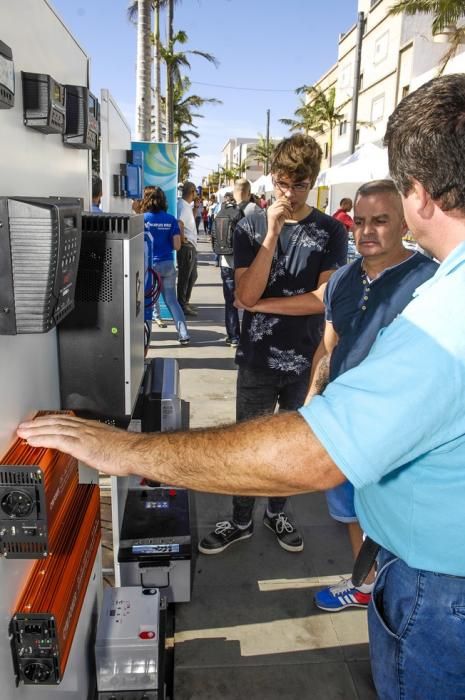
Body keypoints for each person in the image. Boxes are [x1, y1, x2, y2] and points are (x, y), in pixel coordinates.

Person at [17, 73, 465, 700]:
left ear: (418, 196)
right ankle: (247, 522)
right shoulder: (289, 237)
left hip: (439, 588)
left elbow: (311, 455)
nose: (367, 231)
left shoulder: (442, 309)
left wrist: (123, 451)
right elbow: (270, 302)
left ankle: (279, 524)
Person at [198, 134, 347, 555]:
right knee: (246, 442)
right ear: (272, 181)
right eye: (284, 183)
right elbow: (244, 295)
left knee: (292, 444)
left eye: (300, 185)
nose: (291, 193)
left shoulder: (331, 230)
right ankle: (241, 519)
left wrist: (261, 303)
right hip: (258, 358)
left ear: (313, 182)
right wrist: (272, 233)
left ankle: (277, 511)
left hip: (307, 357)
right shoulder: (249, 226)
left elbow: (322, 300)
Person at [307, 179, 438, 612]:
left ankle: (405, 598)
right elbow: (329, 345)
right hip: (345, 423)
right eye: (359, 221)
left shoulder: (431, 283)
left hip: (403, 433)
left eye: (380, 221)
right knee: (349, 511)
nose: (366, 231)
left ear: (403, 222)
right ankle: (364, 583)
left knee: (399, 518)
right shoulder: (344, 278)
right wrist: (312, 400)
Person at [212, 179, 261, 347]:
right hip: (249, 265)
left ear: (234, 193)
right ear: (248, 192)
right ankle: (250, 336)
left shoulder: (224, 209)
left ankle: (233, 336)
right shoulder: (254, 209)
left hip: (226, 261)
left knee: (230, 302)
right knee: (252, 300)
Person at [142, 186, 190, 345]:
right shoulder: (170, 219)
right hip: (168, 264)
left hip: (149, 266)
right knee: (171, 301)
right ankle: (183, 334)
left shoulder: (143, 219)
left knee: (146, 301)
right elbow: (177, 246)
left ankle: (145, 339)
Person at [177, 181, 198, 317]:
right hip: (187, 246)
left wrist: (196, 207)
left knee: (192, 275)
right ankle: (182, 304)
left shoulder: (186, 206)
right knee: (186, 277)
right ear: (192, 192)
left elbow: (189, 221)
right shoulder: (183, 206)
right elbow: (180, 222)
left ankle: (185, 301)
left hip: (190, 246)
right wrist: (183, 238)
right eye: (195, 191)